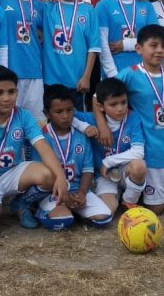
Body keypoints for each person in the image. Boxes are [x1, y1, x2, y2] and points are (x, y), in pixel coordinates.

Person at [0, 66, 68, 238]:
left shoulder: (23, 116)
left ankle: (21, 203)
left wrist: (61, 177)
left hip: (13, 172)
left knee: (50, 175)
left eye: (11, 92)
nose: (6, 98)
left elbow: (43, 148)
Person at [114, 24, 164, 215]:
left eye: (163, 46)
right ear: (139, 48)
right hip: (150, 151)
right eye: (153, 46)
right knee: (156, 210)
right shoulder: (129, 74)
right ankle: (130, 192)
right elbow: (100, 96)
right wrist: (104, 127)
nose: (159, 51)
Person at [33, 85, 112, 230]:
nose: (65, 115)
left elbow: (88, 170)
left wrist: (82, 192)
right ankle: (41, 211)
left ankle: (75, 208)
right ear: (47, 113)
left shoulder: (82, 135)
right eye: (59, 111)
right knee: (62, 221)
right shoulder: (41, 137)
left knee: (104, 217)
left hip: (77, 190)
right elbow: (40, 175)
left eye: (70, 110)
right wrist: (64, 197)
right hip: (52, 192)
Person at [76, 78, 147, 213]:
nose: (120, 108)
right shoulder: (91, 119)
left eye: (123, 102)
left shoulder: (132, 117)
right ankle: (116, 195)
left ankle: (129, 201)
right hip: (104, 175)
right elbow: (70, 115)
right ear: (101, 106)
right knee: (108, 210)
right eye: (113, 104)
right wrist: (85, 127)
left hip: (124, 170)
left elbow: (138, 152)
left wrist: (108, 161)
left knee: (139, 166)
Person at [41, 0, 101, 110]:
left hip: (77, 82)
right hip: (51, 80)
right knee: (53, 121)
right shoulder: (47, 7)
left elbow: (93, 47)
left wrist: (86, 76)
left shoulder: (88, 10)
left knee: (76, 121)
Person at [96, 0, 158, 78]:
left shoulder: (146, 5)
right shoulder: (103, 5)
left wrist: (126, 44)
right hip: (114, 73)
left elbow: (154, 40)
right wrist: (113, 75)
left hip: (144, 73)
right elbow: (102, 44)